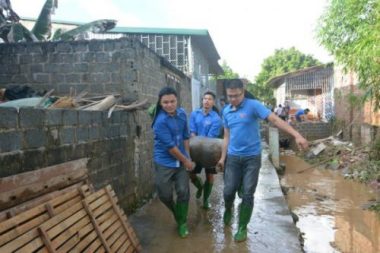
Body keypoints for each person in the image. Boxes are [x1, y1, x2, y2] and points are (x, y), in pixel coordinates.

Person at [216, 79, 309, 242]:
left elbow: (275, 120)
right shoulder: (226, 111)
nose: (233, 99)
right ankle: (228, 209)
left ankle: (242, 227)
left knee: (248, 194)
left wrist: (297, 135)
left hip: (252, 158)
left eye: (236, 96)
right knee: (228, 191)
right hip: (233, 158)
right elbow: (226, 136)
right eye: (230, 96)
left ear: (242, 92)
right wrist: (222, 158)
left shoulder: (254, 105)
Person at [151, 86, 194, 238]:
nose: (169, 105)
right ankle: (177, 213)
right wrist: (186, 161)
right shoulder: (160, 122)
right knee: (164, 194)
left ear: (177, 101)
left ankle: (182, 223)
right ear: (160, 103)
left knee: (183, 191)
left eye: (172, 101)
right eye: (165, 102)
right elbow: (171, 148)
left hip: (181, 160)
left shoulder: (182, 114)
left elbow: (185, 136)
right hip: (165, 162)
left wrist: (187, 155)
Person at [189, 91, 222, 209]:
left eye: (209, 99)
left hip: (209, 150)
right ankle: (200, 187)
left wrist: (198, 141)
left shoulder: (216, 118)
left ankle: (206, 199)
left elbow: (210, 138)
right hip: (195, 149)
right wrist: (194, 142)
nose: (206, 101)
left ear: (213, 102)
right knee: (191, 174)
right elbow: (192, 131)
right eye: (205, 99)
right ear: (202, 100)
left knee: (209, 176)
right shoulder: (194, 114)